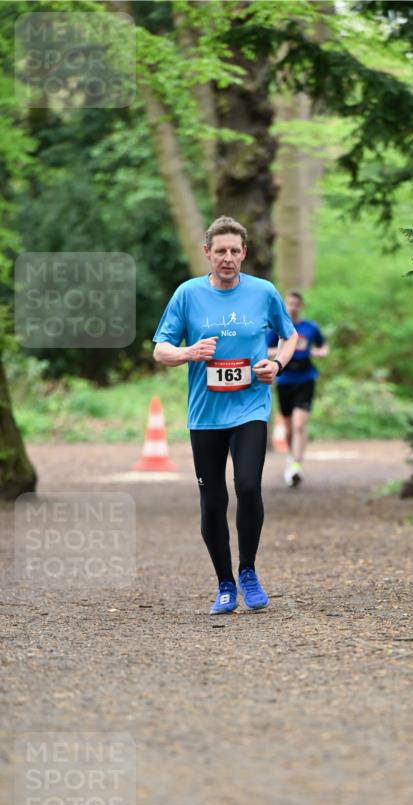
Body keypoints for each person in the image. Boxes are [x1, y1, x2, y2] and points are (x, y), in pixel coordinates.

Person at [152, 216, 298, 614]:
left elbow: (290, 335)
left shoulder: (263, 292)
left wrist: (278, 365)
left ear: (244, 253)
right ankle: (224, 583)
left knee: (248, 486)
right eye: (220, 251)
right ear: (207, 254)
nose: (228, 258)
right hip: (206, 415)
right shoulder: (187, 294)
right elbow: (160, 348)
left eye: (235, 251)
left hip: (250, 406)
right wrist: (188, 353)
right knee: (213, 499)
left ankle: (248, 571)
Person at [268, 290, 328, 486]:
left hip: (306, 378)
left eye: (296, 304)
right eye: (289, 303)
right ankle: (291, 456)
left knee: (299, 425)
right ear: (284, 306)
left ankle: (296, 466)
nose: (292, 307)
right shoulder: (276, 328)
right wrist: (286, 348)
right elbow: (263, 349)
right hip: (284, 380)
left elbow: (323, 346)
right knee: (288, 428)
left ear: (301, 306)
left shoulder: (310, 328)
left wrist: (319, 352)